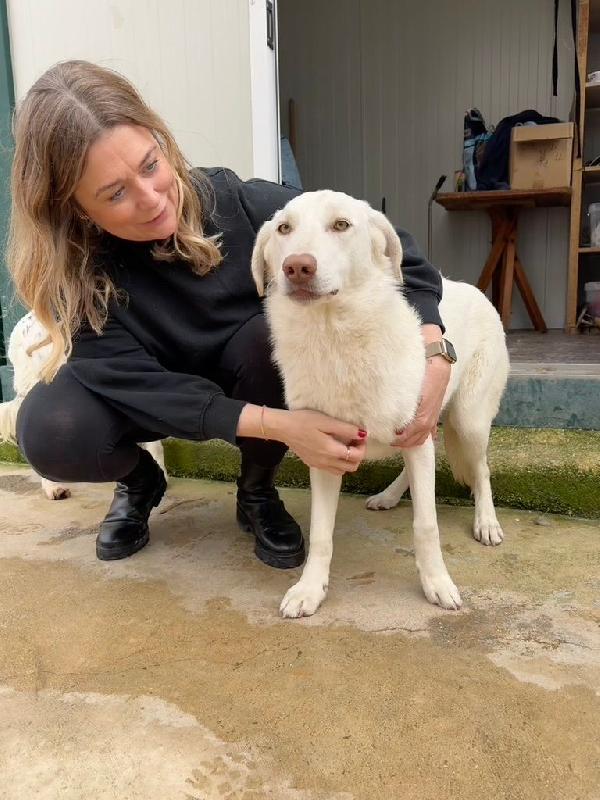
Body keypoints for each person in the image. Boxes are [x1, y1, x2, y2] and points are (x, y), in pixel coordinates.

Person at [9, 60, 451, 569]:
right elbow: (138, 384)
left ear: (161, 142)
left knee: (269, 340)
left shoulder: (237, 203)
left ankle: (256, 489)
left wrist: (434, 349)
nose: (153, 198)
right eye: (116, 193)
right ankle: (139, 479)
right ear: (77, 208)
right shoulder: (75, 275)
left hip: (241, 374)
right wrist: (284, 425)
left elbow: (404, 255)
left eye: (151, 165)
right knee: (50, 429)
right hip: (149, 393)